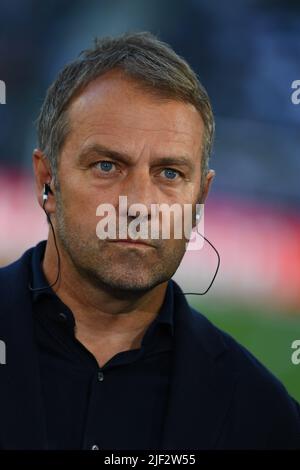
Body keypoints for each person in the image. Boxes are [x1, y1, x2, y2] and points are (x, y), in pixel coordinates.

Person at [0, 32, 299, 450]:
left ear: (200, 199)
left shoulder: (264, 415)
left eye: (169, 174)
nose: (139, 205)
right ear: (47, 181)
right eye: (107, 165)